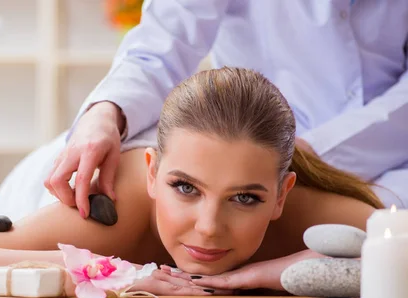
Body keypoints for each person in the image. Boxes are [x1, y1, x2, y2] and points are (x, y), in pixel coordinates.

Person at [0, 67, 383, 298]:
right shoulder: (114, 207)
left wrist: (281, 271)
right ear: (154, 174)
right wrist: (101, 273)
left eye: (245, 198)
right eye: (185, 188)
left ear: (282, 194)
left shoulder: (315, 218)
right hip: (45, 188)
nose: (209, 228)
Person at [44, 0, 408, 217]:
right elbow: (160, 47)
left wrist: (306, 155)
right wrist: (106, 113)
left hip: (392, 156)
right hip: (245, 144)